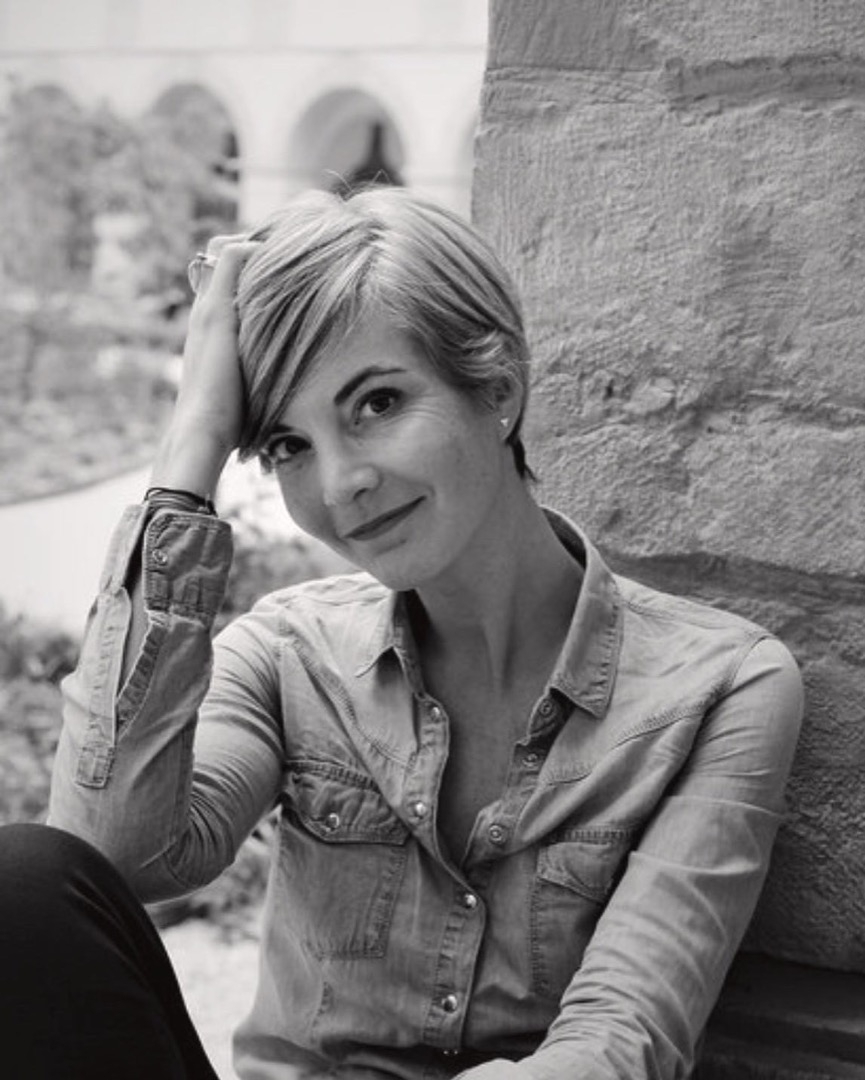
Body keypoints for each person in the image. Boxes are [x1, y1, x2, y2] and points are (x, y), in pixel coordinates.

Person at [0, 186, 803, 1080]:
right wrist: (191, 447)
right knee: (21, 884)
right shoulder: (288, 654)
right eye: (288, 445)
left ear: (497, 388)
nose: (339, 483)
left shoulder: (720, 686)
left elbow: (618, 1043)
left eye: (377, 403)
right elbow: (107, 856)